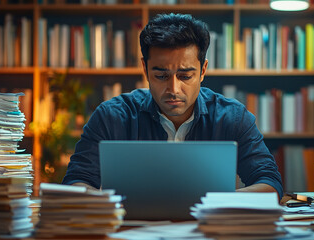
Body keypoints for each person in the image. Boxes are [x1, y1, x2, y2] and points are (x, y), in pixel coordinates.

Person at [62, 13, 283, 198]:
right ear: (145, 69)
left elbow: (270, 184)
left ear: (203, 70)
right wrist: (109, 205)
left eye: (185, 76)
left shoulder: (232, 117)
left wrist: (219, 202)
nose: (174, 89)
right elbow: (76, 181)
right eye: (161, 76)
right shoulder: (111, 117)